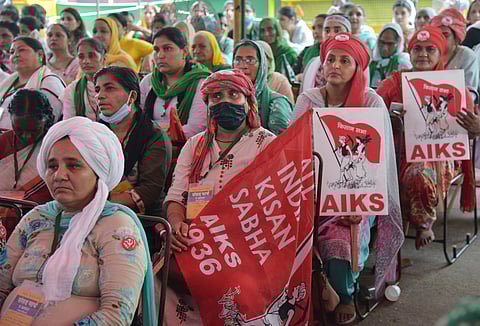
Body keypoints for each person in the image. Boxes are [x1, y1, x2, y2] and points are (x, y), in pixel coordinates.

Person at [0, 116, 156, 325]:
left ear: (98, 173)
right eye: (52, 166)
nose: (59, 175)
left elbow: (116, 315)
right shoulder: (36, 218)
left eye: (73, 166)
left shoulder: (117, 227)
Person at [295, 33, 403, 325]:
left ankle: (344, 293)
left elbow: (378, 164)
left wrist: (360, 204)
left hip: (357, 192)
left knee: (342, 239)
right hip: (312, 190)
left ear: (358, 67)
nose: (335, 65)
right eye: (330, 59)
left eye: (345, 60)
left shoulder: (371, 103)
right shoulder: (309, 100)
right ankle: (311, 289)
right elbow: (293, 152)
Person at [164, 69, 275, 324]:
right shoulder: (195, 145)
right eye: (215, 97)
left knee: (224, 278)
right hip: (196, 237)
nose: (223, 101)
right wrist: (177, 224)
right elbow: (176, 196)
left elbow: (272, 206)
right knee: (163, 270)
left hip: (247, 241)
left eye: (233, 94)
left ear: (248, 101)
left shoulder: (266, 144)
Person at [376, 26, 478, 249]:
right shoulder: (391, 85)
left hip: (440, 155)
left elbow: (469, 130)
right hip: (397, 151)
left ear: (440, 53)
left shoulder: (455, 87)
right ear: (409, 52)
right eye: (417, 49)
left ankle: (423, 223)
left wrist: (475, 128)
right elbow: (373, 123)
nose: (423, 54)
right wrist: (392, 121)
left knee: (419, 174)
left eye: (430, 49)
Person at [94, 66, 172, 217]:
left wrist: (98, 201)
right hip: (95, 210)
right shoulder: (94, 132)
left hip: (142, 217)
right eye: (97, 90)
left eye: (109, 88)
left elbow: (150, 190)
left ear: (132, 96)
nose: (100, 96)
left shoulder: (153, 135)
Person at [140, 27, 209, 138]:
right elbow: (137, 121)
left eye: (167, 48)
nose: (160, 55)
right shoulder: (149, 81)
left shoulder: (200, 83)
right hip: (149, 149)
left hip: (186, 150)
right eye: (156, 50)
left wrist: (152, 130)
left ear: (184, 51)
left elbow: (194, 129)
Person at [0, 90, 54, 210]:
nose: (26, 136)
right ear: (10, 118)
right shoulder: (3, 142)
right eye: (18, 129)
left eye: (34, 130)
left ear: (47, 119)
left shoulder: (54, 146)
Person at [0, 37, 65, 131]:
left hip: (28, 141)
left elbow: (46, 123)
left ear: (40, 54)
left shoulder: (50, 81)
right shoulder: (8, 83)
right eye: (12, 52)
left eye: (21, 50)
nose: (16, 55)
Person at [233, 39, 294, 135]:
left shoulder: (276, 103)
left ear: (261, 65)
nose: (243, 65)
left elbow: (282, 144)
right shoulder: (226, 98)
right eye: (238, 60)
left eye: (250, 60)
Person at [431, 8, 480, 99]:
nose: (440, 39)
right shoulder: (431, 54)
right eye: (437, 34)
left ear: (456, 37)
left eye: (445, 35)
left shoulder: (467, 55)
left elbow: (471, 93)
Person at [300, 13, 351, 94]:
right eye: (327, 30)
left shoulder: (356, 63)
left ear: (348, 33)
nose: (330, 34)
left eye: (337, 30)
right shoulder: (313, 63)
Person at [61, 38, 105, 121]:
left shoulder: (116, 85)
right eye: (81, 57)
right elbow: (69, 123)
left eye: (91, 55)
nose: (86, 61)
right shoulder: (72, 90)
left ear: (103, 59)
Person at [369, 23, 412, 89]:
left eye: (390, 44)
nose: (385, 48)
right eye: (382, 42)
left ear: (398, 43)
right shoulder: (371, 63)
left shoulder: (403, 62)